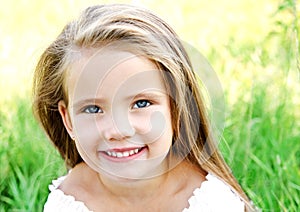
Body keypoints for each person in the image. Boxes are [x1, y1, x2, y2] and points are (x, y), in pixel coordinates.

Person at [33, 4, 255, 211]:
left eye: (141, 103)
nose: (118, 130)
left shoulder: (210, 202)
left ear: (175, 109)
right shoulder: (68, 202)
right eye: (93, 109)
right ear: (68, 120)